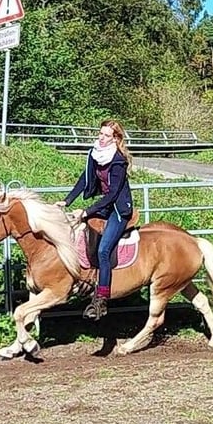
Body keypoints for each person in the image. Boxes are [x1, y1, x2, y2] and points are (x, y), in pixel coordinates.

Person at [55, 119, 133, 320]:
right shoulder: (95, 153)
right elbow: (85, 178)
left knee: (103, 250)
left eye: (107, 135)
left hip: (118, 209)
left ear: (116, 138)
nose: (102, 138)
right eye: (100, 133)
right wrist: (67, 201)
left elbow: (113, 194)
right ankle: (83, 279)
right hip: (104, 205)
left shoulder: (118, 160)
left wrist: (87, 211)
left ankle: (101, 299)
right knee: (77, 230)